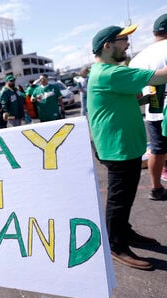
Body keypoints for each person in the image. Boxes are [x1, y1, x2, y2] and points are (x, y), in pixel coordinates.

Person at [88, 23, 167, 270]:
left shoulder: (108, 72)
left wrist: (144, 98)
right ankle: (116, 245)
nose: (128, 43)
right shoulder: (108, 73)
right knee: (119, 200)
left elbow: (128, 98)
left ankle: (125, 231)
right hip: (117, 148)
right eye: (123, 39)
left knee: (125, 196)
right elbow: (160, 75)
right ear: (108, 45)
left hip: (123, 146)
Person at [130, 13, 167, 201]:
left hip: (153, 112)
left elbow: (135, 92)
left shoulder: (138, 57)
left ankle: (156, 188)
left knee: (157, 149)